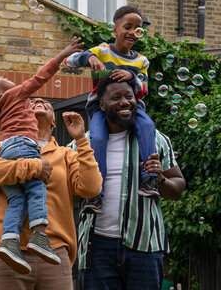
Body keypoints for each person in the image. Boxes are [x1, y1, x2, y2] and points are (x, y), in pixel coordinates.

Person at [0, 37, 83, 274]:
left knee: (16, 200)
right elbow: (40, 77)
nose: (3, 76)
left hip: (9, 149)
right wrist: (64, 53)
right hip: (23, 147)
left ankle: (9, 241)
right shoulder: (14, 96)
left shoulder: (2, 115)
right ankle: (39, 236)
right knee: (37, 189)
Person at [0, 98, 102, 289]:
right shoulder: (3, 140)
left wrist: (81, 140)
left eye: (45, 102)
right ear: (22, 115)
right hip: (4, 251)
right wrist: (34, 166)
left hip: (54, 253)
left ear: (53, 123)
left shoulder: (66, 154)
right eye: (31, 102)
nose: (39, 100)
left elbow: (90, 188)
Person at [71, 76, 186, 290]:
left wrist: (160, 178)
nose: (125, 102)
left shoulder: (156, 140)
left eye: (129, 96)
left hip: (144, 244)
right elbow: (68, 192)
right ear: (102, 105)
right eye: (116, 98)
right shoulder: (81, 144)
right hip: (96, 247)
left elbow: (178, 188)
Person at [65, 5, 159, 214]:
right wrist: (89, 57)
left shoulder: (141, 61)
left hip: (133, 109)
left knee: (147, 126)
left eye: (138, 28)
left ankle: (149, 180)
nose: (133, 32)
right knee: (97, 138)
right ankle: (96, 192)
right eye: (128, 27)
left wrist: (132, 77)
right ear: (114, 30)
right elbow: (68, 61)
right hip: (100, 109)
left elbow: (144, 89)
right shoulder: (103, 51)